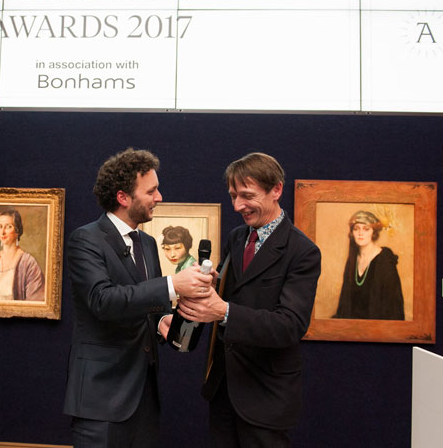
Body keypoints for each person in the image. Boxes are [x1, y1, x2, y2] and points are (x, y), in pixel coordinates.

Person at [63, 148, 214, 448]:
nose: (159, 197)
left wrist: (161, 321)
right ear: (123, 197)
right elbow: (102, 301)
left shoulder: (146, 242)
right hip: (101, 400)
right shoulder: (86, 239)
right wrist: (173, 284)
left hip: (144, 399)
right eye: (152, 190)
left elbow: (146, 304)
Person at [179, 152, 321, 448]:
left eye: (247, 195)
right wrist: (195, 305)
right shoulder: (236, 237)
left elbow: (290, 326)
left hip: (266, 397)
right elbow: (223, 299)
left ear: (276, 190)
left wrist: (225, 310)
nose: (237, 206)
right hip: (222, 390)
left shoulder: (302, 252)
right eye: (232, 196)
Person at [333, 211, 404, 320]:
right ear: (352, 233)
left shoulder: (385, 261)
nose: (361, 233)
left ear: (373, 232)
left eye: (366, 229)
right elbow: (345, 301)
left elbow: (393, 307)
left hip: (378, 328)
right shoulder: (353, 260)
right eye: (356, 229)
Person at [0, 209, 45, 301]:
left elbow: (35, 303)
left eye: (8, 227)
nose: (3, 232)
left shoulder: (29, 264)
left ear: (17, 231)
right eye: (0, 227)